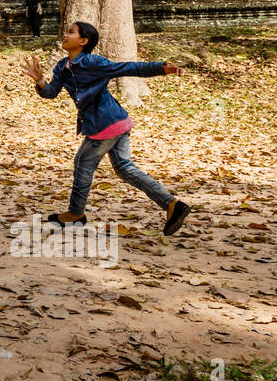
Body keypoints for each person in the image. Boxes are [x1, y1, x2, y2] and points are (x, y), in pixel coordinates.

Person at [22, 21, 190, 235]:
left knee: (83, 162)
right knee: (125, 168)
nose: (65, 35)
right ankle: (172, 205)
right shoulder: (62, 67)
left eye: (71, 32)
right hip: (115, 122)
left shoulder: (93, 62)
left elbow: (126, 67)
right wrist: (40, 80)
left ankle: (75, 214)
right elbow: (51, 93)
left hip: (106, 123)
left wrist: (159, 68)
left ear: (83, 41)